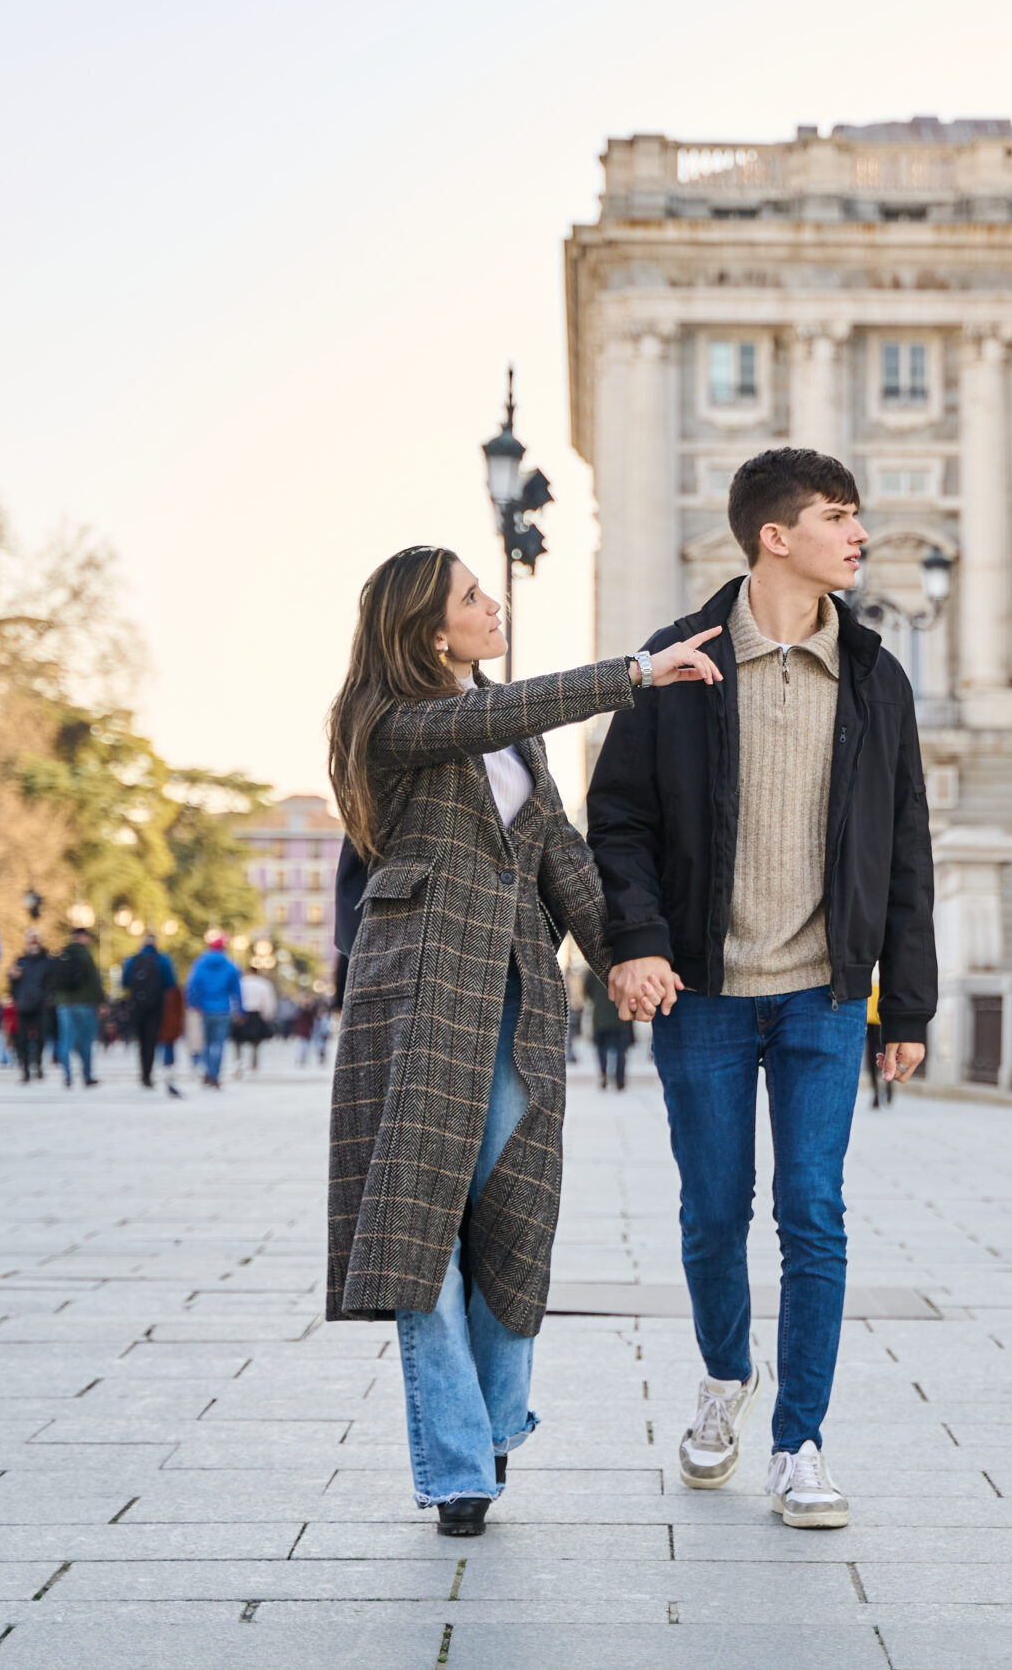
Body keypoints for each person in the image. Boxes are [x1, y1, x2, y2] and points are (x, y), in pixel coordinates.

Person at [322, 543, 721, 1540]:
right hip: (416, 994)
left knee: (512, 1220)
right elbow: (481, 715)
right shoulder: (387, 719)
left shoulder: (509, 736)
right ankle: (459, 1466)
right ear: (425, 627)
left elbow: (561, 860)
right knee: (423, 1231)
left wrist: (628, 955)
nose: (491, 604)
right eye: (471, 595)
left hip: (513, 996)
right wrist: (629, 674)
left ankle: (492, 1425)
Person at [588, 448, 936, 1532]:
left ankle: (799, 1442)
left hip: (824, 1000)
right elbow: (618, 824)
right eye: (839, 517)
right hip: (703, 994)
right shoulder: (675, 664)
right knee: (710, 1212)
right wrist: (635, 941)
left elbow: (907, 847)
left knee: (813, 1215)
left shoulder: (876, 677)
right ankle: (724, 1375)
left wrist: (907, 1007)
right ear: (773, 537)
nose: (859, 534)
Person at [119, 933, 180, 1094]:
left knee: (141, 1040)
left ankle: (143, 1073)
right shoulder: (163, 960)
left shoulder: (132, 960)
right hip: (156, 1005)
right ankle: (149, 1073)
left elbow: (124, 982)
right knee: (152, 1040)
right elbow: (171, 983)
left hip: (137, 1005)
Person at [185, 935, 241, 1091]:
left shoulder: (200, 964)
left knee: (206, 1043)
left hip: (204, 1009)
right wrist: (239, 1010)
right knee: (219, 1044)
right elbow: (237, 990)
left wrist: (192, 1003)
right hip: (223, 1009)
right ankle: (215, 1074)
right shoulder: (230, 966)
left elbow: (192, 985)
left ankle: (208, 1071)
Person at [50, 927, 104, 1089]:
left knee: (65, 1040)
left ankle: (67, 1076)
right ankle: (87, 1076)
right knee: (85, 1042)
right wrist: (100, 1002)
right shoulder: (85, 956)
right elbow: (95, 981)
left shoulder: (62, 955)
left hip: (64, 1004)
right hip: (84, 1004)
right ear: (83, 937)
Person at [8, 933, 54, 1082]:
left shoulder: (47, 961)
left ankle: (38, 1064)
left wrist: (47, 997)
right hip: (23, 1004)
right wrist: (13, 982)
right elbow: (12, 982)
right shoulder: (21, 961)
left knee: (40, 1037)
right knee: (22, 1040)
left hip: (40, 1004)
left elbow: (52, 982)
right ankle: (25, 1069)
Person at [582, 967, 632, 1091]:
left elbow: (587, 990)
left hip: (600, 1017)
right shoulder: (624, 967)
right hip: (620, 1016)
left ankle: (603, 1074)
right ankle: (620, 1080)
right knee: (620, 1050)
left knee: (601, 1049)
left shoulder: (594, 967)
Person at [864, 981, 893, 1110]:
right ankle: (877, 1091)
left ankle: (887, 1085)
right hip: (871, 1018)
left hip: (882, 1017)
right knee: (873, 1057)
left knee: (885, 1054)